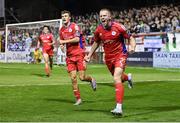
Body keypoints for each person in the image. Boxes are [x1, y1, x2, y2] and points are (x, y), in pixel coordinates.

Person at [84, 8, 136, 116]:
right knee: (120, 78)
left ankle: (119, 107)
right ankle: (128, 78)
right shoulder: (98, 30)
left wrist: (132, 47)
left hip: (120, 55)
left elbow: (130, 38)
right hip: (108, 58)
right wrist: (89, 55)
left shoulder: (118, 27)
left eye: (104, 15)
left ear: (110, 17)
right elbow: (96, 43)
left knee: (116, 77)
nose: (102, 17)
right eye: (101, 16)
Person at [59, 10, 97, 105]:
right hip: (70, 56)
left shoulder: (74, 26)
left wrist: (64, 42)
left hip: (79, 54)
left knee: (82, 77)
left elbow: (76, 39)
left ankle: (91, 79)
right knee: (73, 78)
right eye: (63, 16)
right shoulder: (61, 30)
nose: (64, 18)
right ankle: (78, 99)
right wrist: (62, 46)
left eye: (66, 16)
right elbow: (62, 42)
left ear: (69, 17)